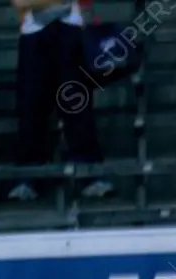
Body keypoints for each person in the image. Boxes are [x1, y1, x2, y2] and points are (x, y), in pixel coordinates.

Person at [9, 0, 112, 202]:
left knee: (77, 105)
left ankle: (90, 173)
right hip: (33, 33)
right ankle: (30, 176)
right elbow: (20, 2)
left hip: (71, 29)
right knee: (32, 107)